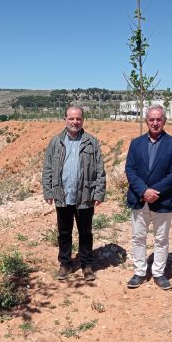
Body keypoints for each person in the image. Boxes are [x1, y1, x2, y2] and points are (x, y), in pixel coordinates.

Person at [42, 106, 106, 281]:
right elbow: (47, 168)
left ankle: (86, 265)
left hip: (85, 196)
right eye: (71, 118)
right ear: (65, 119)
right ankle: (65, 263)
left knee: (85, 232)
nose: (75, 122)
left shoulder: (91, 142)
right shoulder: (56, 142)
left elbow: (100, 169)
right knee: (64, 232)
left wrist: (99, 193)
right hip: (62, 195)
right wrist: (48, 191)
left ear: (83, 120)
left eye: (78, 119)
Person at [125, 105, 172, 290]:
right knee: (138, 237)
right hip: (139, 198)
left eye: (159, 119)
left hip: (163, 199)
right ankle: (140, 272)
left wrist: (155, 191)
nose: (155, 123)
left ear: (164, 121)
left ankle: (159, 273)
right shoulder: (136, 143)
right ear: (146, 121)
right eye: (152, 119)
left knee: (161, 238)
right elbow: (130, 169)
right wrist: (144, 191)